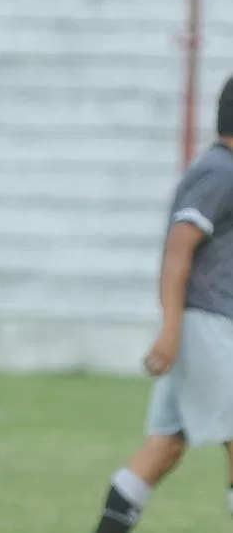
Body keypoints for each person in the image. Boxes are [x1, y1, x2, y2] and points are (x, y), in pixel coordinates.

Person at [92, 75, 233, 532]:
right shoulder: (220, 172)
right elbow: (178, 247)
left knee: (166, 446)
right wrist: (171, 330)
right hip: (206, 325)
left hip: (205, 327)